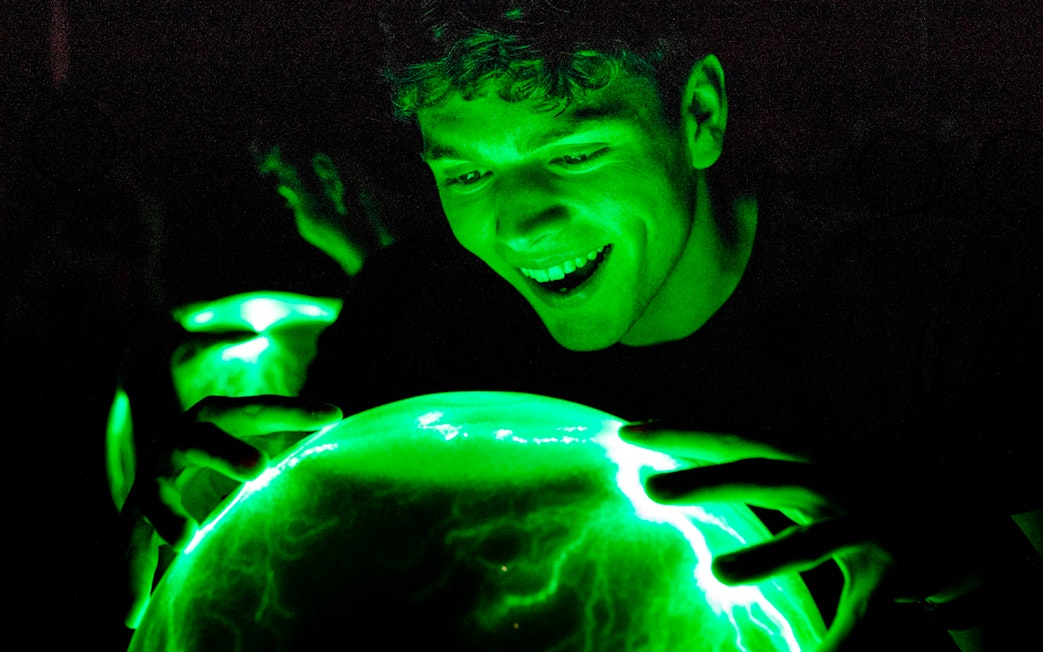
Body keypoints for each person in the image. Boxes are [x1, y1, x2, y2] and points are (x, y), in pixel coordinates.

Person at [118, 2, 1041, 650]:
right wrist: (169, 550)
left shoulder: (940, 302)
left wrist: (970, 570)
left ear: (698, 116)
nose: (518, 224)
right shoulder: (413, 317)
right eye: (468, 174)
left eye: (575, 153)